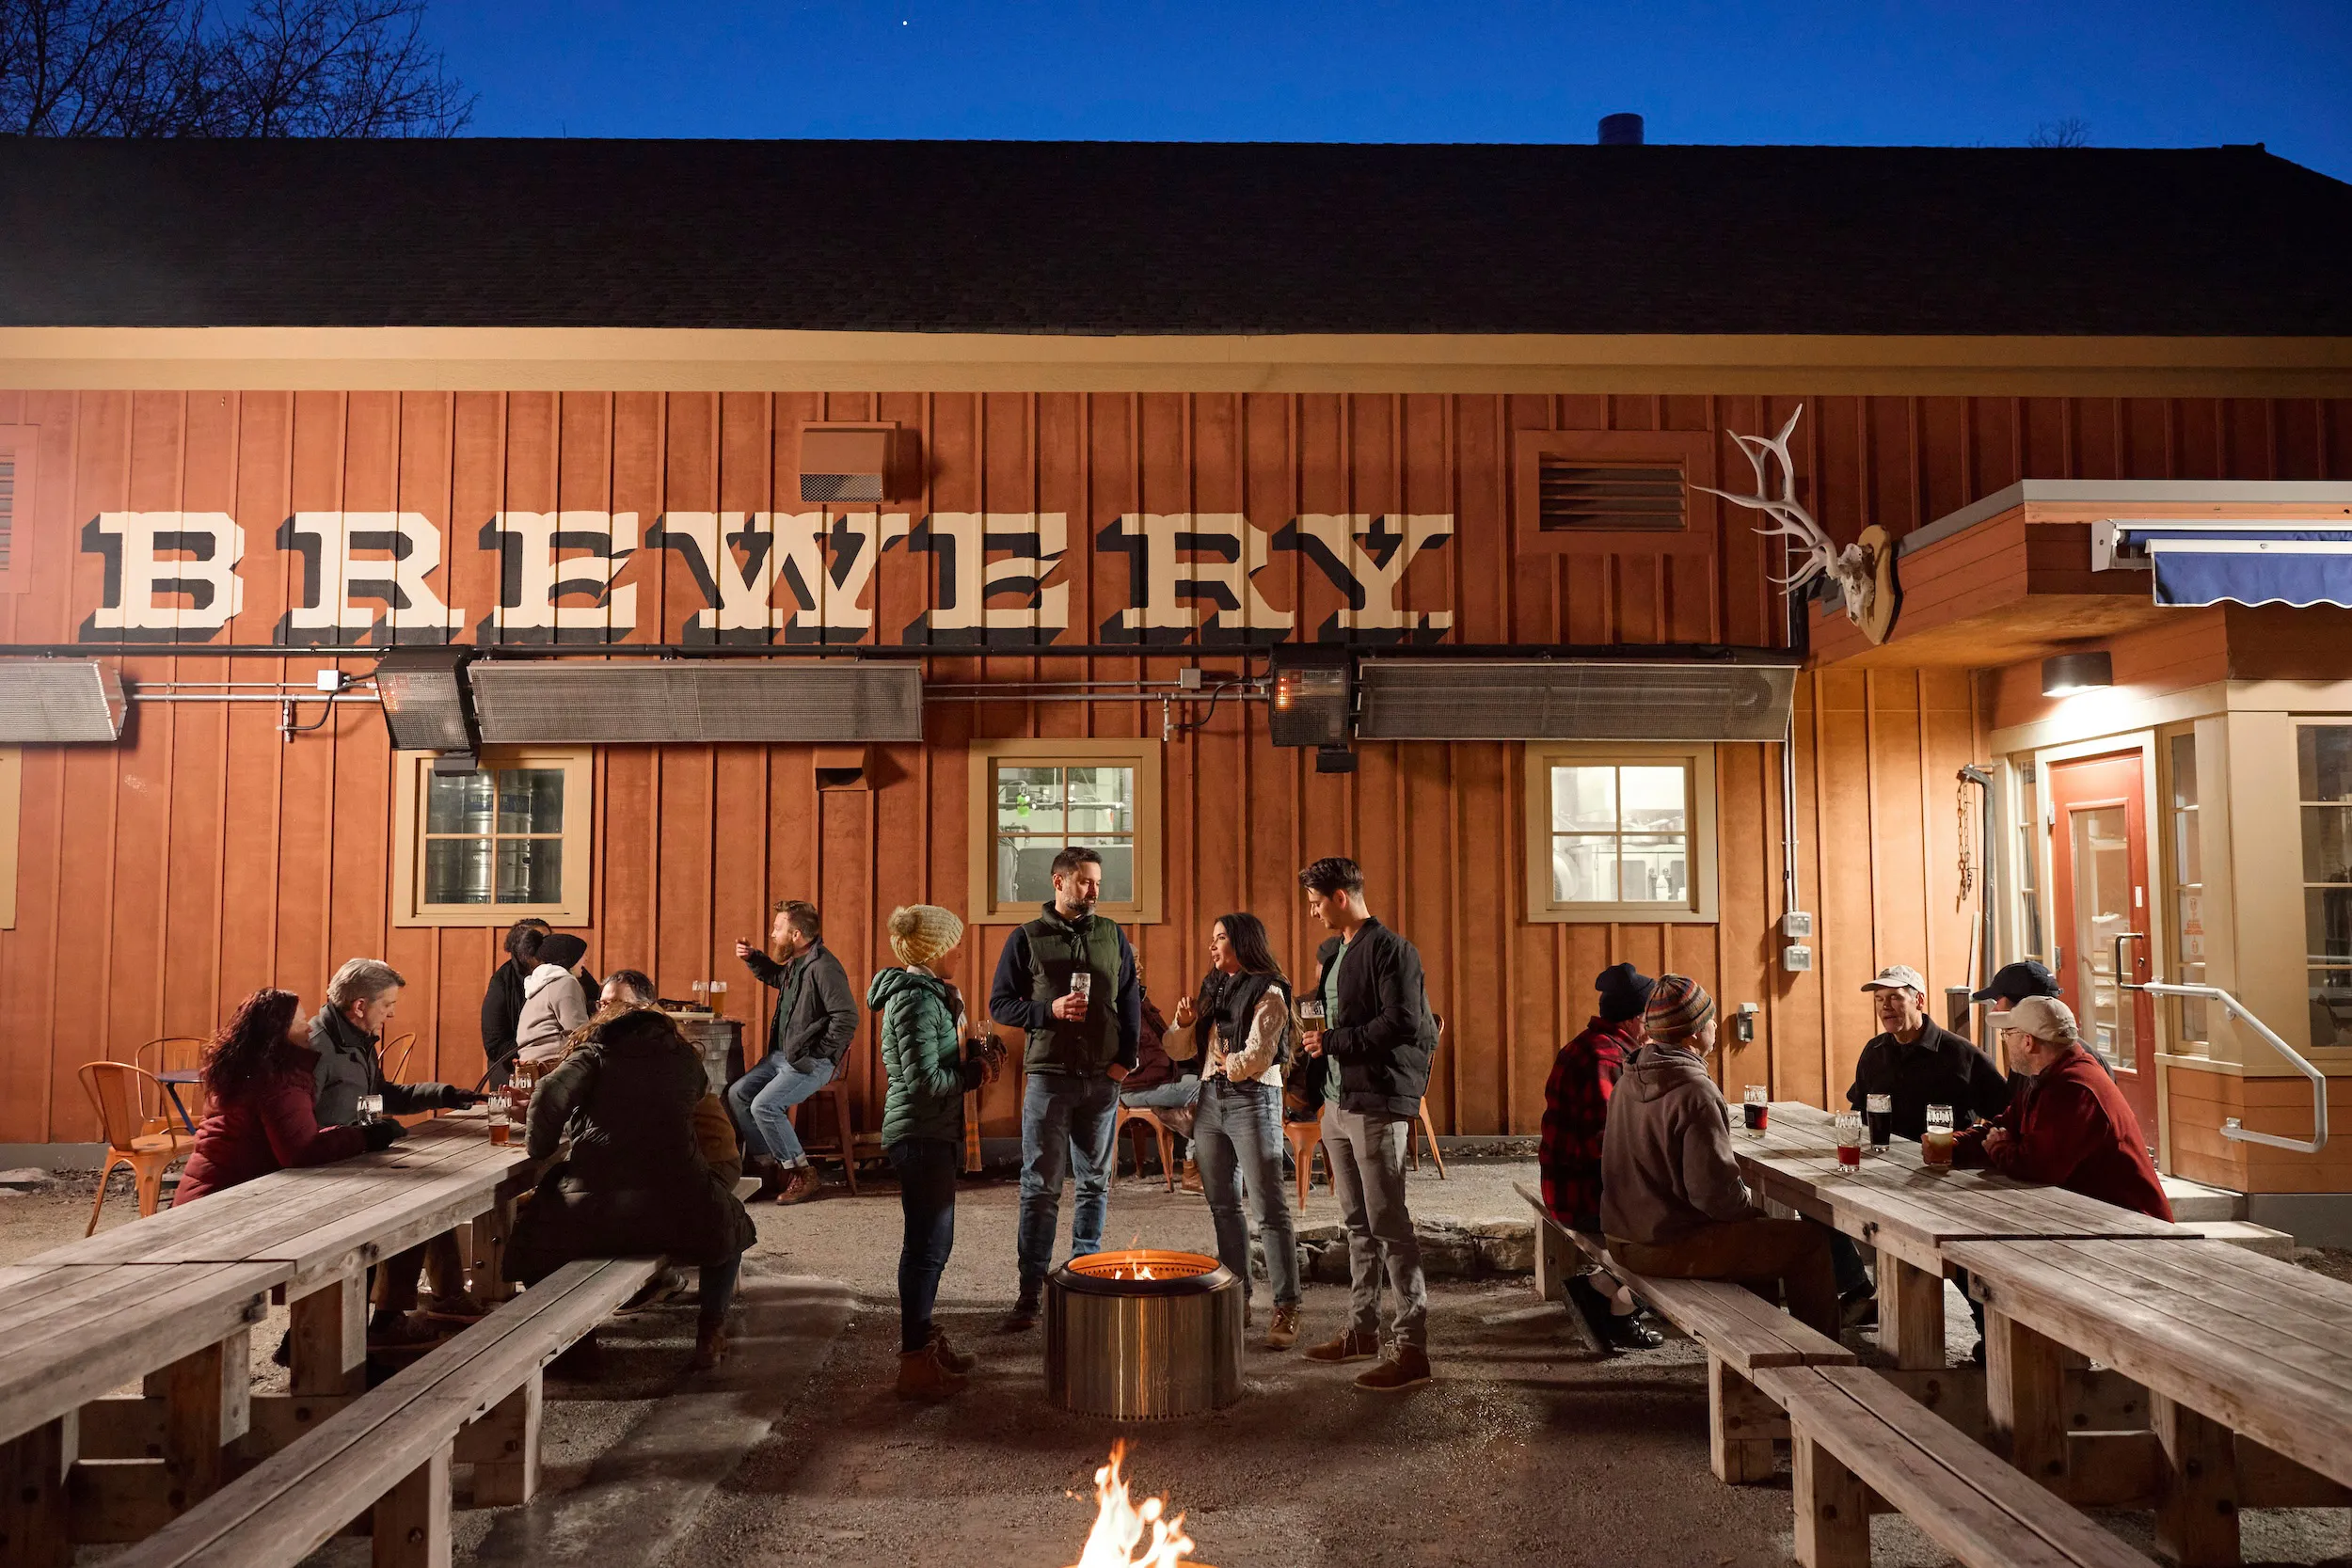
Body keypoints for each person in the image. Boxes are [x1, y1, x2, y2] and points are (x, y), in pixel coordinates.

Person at [507, 1007, 757, 1371]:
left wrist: (541, 1147)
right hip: (679, 1205)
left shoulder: (594, 1055)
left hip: (598, 1212)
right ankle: (711, 1330)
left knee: (530, 1238)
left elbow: (548, 1091)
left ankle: (579, 1344)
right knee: (728, 1224)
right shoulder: (684, 1059)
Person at [1601, 975, 1839, 1338]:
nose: (1715, 1024)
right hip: (1664, 1244)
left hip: (1622, 1235)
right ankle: (1822, 1361)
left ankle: (1771, 1344)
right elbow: (1713, 1196)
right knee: (1808, 1242)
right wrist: (1749, 1210)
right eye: (1710, 1018)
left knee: (1760, 1241)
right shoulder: (1695, 1091)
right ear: (1694, 1033)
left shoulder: (1628, 1078)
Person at [1295, 856, 1438, 1392]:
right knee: (1356, 1223)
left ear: (1339, 897)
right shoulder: (1335, 953)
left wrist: (1334, 1041)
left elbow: (1404, 1021)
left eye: (1315, 902)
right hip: (1337, 1102)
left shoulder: (1392, 950)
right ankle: (1361, 1330)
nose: (1312, 913)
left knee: (1389, 1224)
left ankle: (1413, 1347)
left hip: (1376, 1101)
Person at [989, 846, 1143, 1331]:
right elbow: (1000, 1004)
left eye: (1098, 882)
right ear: (1059, 883)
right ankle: (1029, 1294)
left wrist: (1126, 1061)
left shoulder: (1112, 935)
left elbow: (1130, 1000)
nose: (1094, 891)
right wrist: (1047, 1011)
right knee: (1040, 1188)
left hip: (1102, 1081)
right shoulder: (1027, 939)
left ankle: (1085, 1280)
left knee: (1095, 1185)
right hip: (1050, 1079)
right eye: (1085, 882)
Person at [310, 958, 483, 1341]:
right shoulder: (317, 1047)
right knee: (413, 1204)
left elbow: (382, 1095)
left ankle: (430, 1302)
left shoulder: (356, 1041)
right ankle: (376, 1322)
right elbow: (302, 1124)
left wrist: (445, 1094)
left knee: (432, 1197)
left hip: (359, 1154)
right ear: (359, 1006)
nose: (390, 1014)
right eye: (387, 1006)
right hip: (329, 1168)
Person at [872, 904, 998, 1398]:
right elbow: (925, 1082)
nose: (960, 952)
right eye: (954, 944)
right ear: (935, 950)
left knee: (933, 1246)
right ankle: (914, 1361)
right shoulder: (916, 1001)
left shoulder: (931, 995)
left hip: (931, 1133)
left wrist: (977, 1057)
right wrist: (974, 1074)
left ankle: (923, 1341)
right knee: (926, 1249)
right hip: (920, 1136)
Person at [1164, 913, 1303, 1351]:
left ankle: (1286, 1305)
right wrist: (1186, 1023)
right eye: (1212, 938)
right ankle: (1236, 1298)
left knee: (1270, 1210)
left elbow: (1260, 1055)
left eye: (1220, 938)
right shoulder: (1212, 988)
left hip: (1253, 1100)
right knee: (1223, 1206)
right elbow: (1179, 1049)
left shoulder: (1270, 989)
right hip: (1210, 1102)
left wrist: (1234, 1064)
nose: (1212, 946)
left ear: (1242, 943)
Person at [175, 989, 400, 1204]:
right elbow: (301, 1152)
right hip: (224, 1201)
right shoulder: (279, 1081)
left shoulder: (241, 1069)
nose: (309, 1029)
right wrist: (365, 1137)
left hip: (206, 1190)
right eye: (300, 1022)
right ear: (278, 1031)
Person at [1538, 962, 1662, 1352]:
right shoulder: (1607, 1060)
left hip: (1570, 1185)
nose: (1652, 1027)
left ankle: (1603, 1290)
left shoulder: (1591, 1045)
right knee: (1684, 1225)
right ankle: (1619, 1307)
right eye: (1649, 1018)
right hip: (1582, 1196)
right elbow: (1611, 1146)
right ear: (1635, 1018)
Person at [1957, 996, 2172, 1219]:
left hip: (2136, 1226)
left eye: (2008, 1034)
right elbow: (2003, 1126)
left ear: (2028, 1042)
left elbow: (2037, 1167)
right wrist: (1954, 1145)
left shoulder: (2074, 1087)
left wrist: (1998, 1148)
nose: (2005, 1042)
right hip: (2097, 1217)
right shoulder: (2048, 1077)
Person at [729, 899, 858, 1205]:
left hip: (809, 1061)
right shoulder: (799, 962)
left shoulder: (824, 967)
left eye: (778, 928)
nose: (773, 934)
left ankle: (803, 1172)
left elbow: (847, 1017)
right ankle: (771, 1168)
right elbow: (777, 977)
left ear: (797, 934)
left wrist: (821, 1053)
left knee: (764, 1106)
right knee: (738, 1094)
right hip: (782, 1056)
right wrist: (754, 958)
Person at [479, 918, 551, 1087]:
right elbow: (495, 1043)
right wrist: (531, 1055)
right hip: (514, 1065)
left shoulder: (564, 973)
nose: (546, 947)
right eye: (538, 941)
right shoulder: (502, 982)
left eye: (548, 941)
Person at [514, 933, 593, 1074]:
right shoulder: (565, 982)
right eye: (582, 955)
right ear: (569, 958)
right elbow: (580, 1032)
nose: (586, 959)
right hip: (552, 1066)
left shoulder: (541, 983)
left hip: (530, 1068)